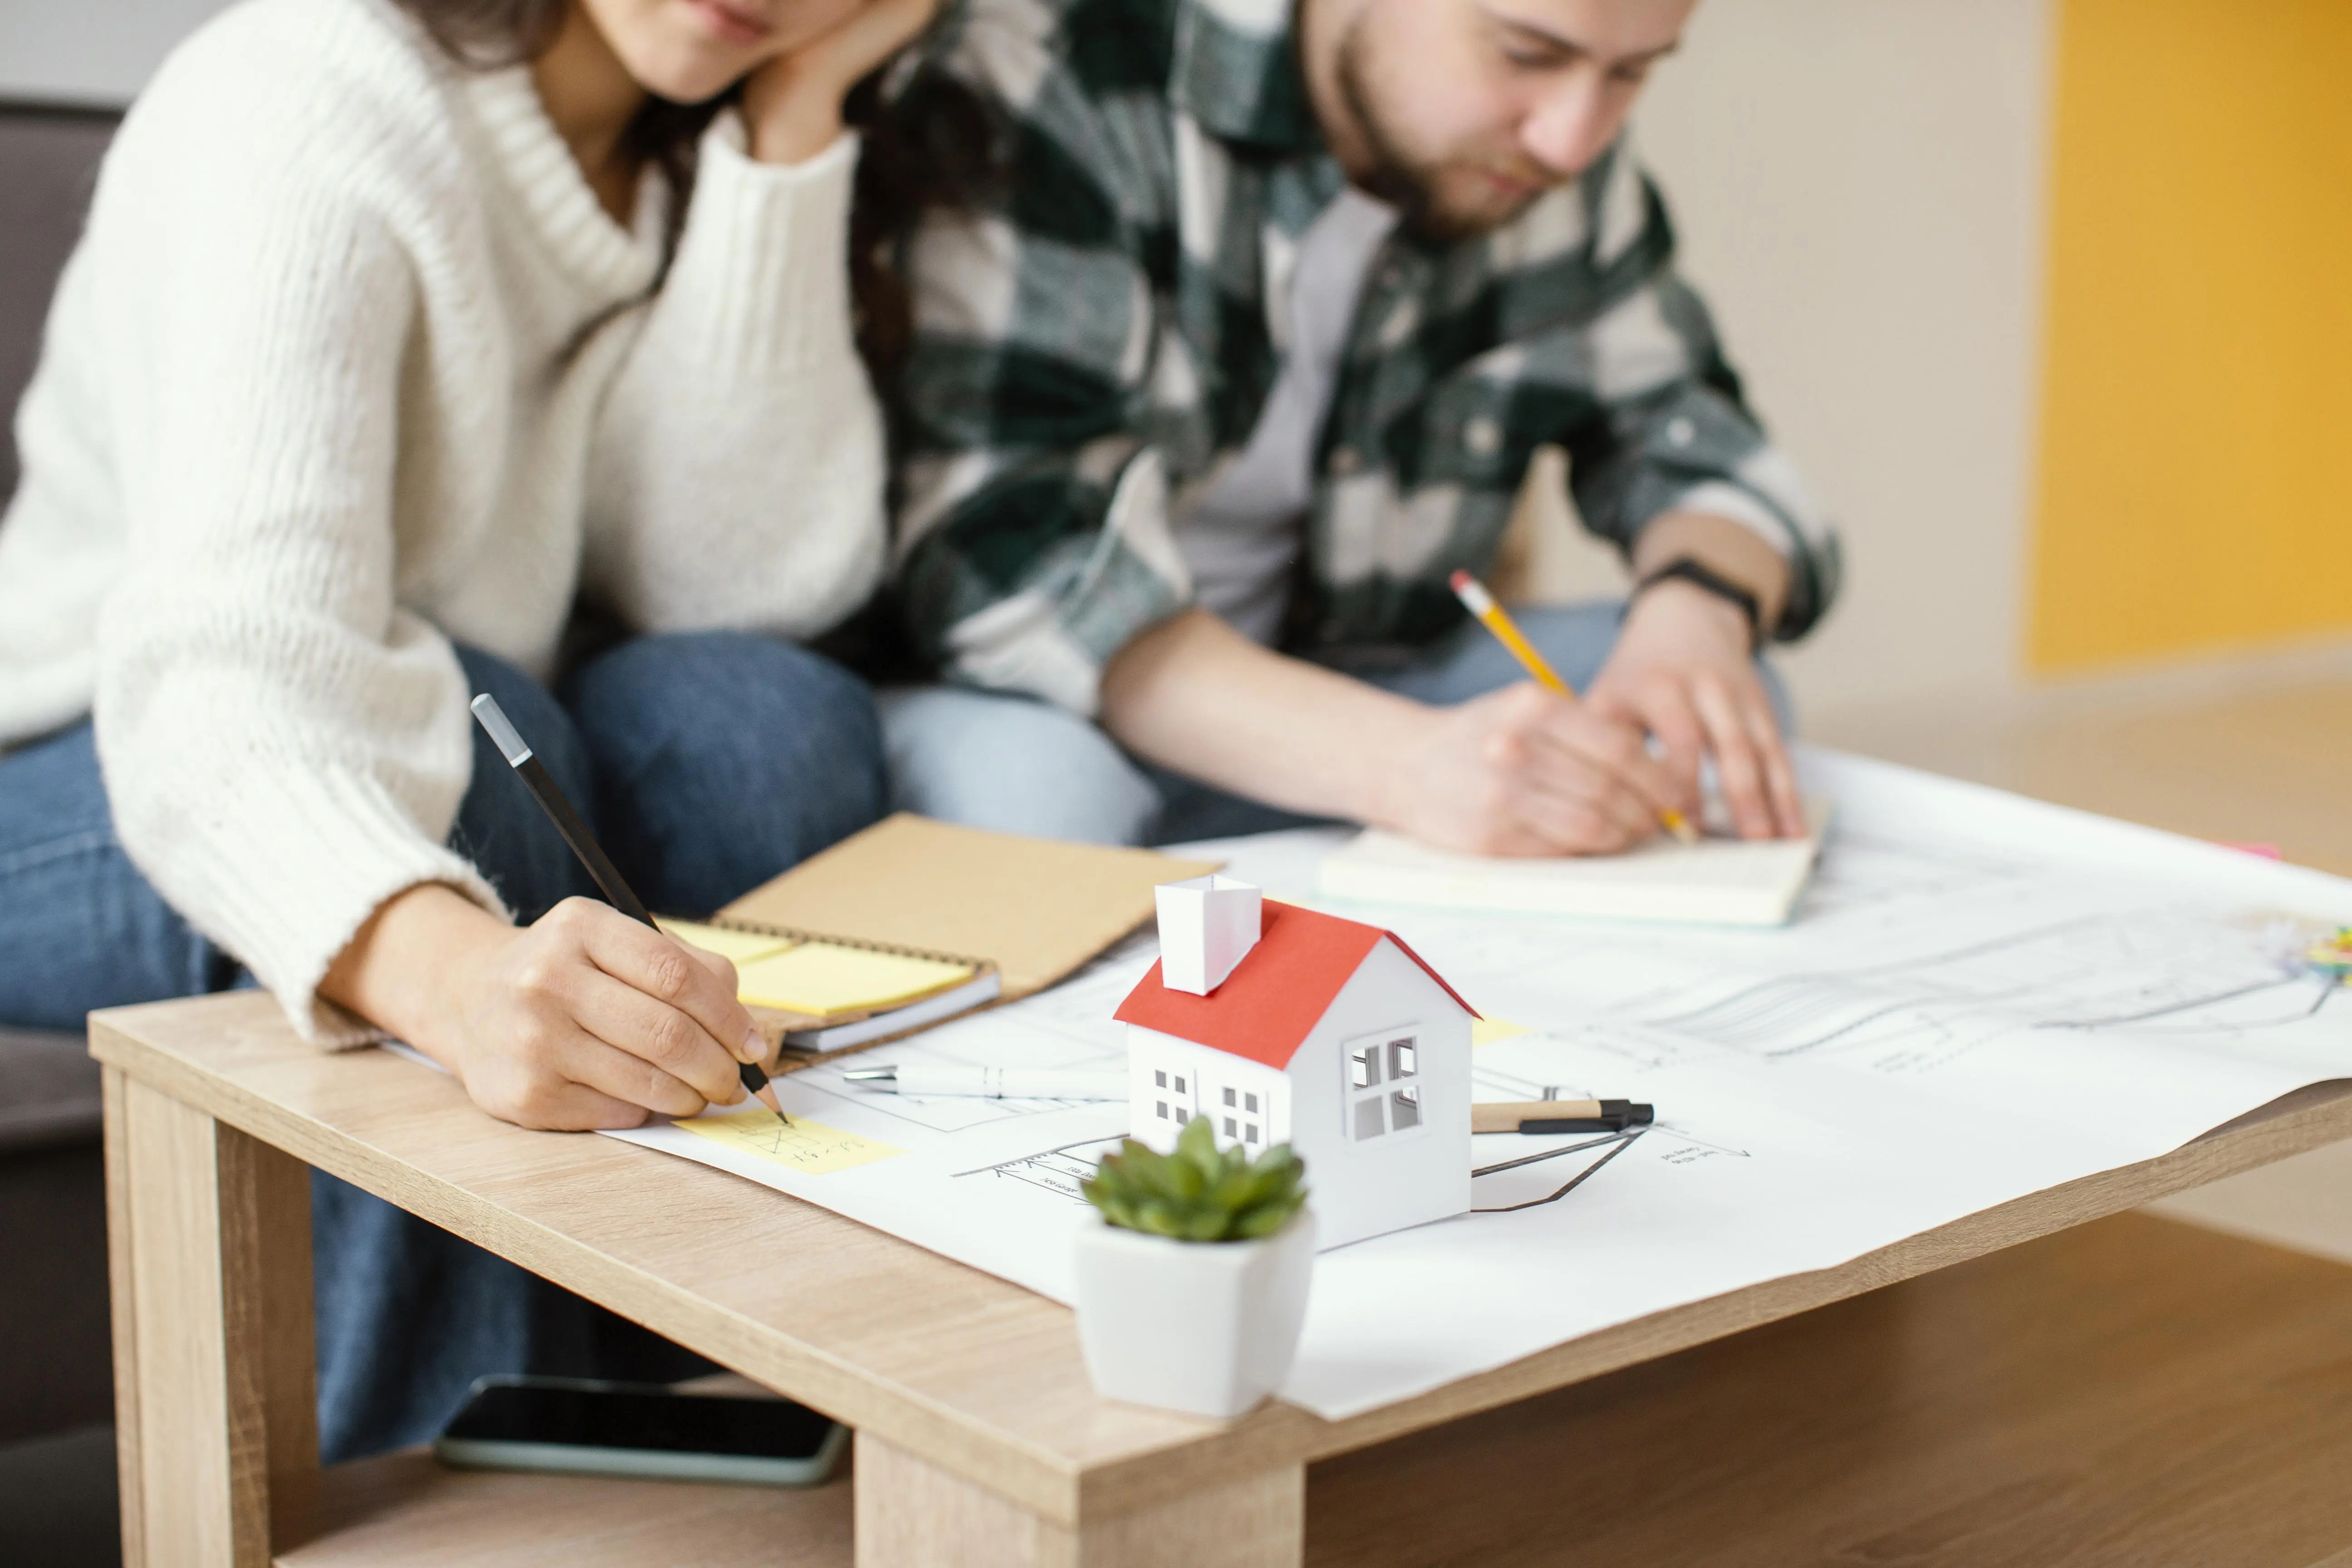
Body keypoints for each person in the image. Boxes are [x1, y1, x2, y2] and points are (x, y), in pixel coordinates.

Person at [0, 0, 934, 1457]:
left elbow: (734, 582)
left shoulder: (682, 148)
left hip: (412, 706)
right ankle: (451, 1490)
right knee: (465, 760)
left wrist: (791, 116)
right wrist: (456, 978)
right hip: (75, 765)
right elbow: (219, 682)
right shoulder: (306, 86)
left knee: (765, 719)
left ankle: (711, 1446)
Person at [877, 0, 1841, 851]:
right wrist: (1406, 768)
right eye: (1525, 53)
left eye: (1630, 74)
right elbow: (1012, 567)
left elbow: (1689, 431)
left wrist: (1697, 615)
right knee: (1040, 803)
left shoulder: (1546, 158)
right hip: (1052, 703)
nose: (1571, 140)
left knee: (1708, 713)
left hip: (1351, 676)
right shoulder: (1065, 62)